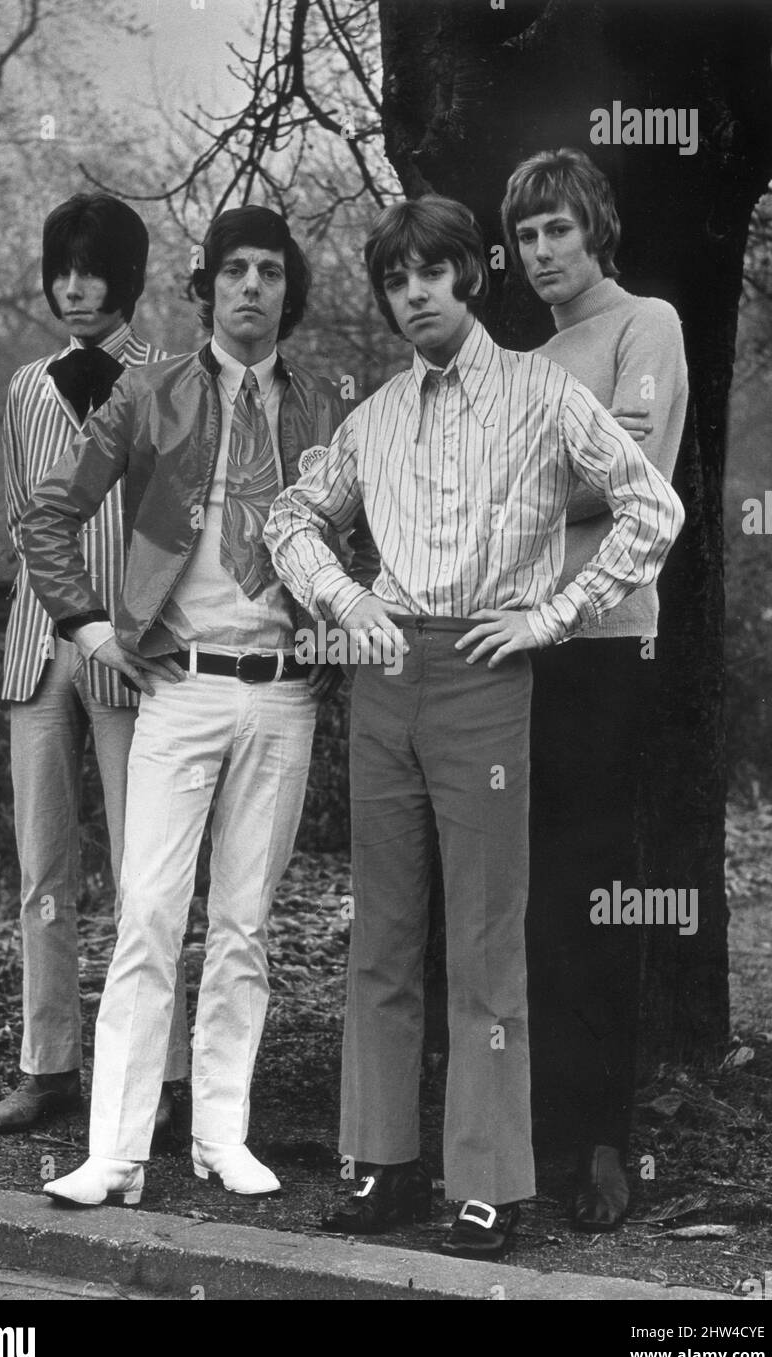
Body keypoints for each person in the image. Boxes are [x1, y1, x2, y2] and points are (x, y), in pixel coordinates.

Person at [263, 193, 684, 1260]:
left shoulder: (544, 394)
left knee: (488, 944)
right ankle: (383, 1165)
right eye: (396, 280)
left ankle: (489, 1182)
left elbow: (651, 506)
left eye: (433, 274)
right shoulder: (375, 417)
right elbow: (289, 518)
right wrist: (346, 603)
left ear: (470, 277)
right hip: (385, 669)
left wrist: (553, 611)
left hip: (487, 678)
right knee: (384, 937)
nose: (414, 295)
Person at [20, 205, 366, 1206]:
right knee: (148, 919)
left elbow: (362, 539)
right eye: (233, 270)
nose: (251, 286)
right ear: (206, 286)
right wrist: (88, 629)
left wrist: (343, 627)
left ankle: (221, 1131)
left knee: (245, 925)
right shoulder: (149, 393)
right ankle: (116, 1152)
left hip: (284, 696)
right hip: (175, 686)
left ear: (285, 289)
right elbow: (50, 515)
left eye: (268, 270)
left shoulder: (323, 411)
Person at [500, 148, 689, 1231]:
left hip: (608, 640)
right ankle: (532, 1129)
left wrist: (535, 485)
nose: (540, 254)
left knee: (596, 886)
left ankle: (604, 1141)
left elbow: (628, 479)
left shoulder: (644, 324)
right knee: (527, 893)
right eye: (524, 238)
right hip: (522, 645)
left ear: (593, 228)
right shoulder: (532, 357)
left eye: (556, 231)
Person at [0, 193, 188, 1139]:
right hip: (39, 650)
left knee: (143, 871)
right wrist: (61, 620)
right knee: (44, 870)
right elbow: (27, 519)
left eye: (93, 268)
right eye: (61, 268)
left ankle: (165, 1071)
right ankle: (48, 1066)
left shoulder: (169, 379)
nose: (74, 286)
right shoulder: (28, 387)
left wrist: (132, 626)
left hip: (131, 654)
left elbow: (171, 525)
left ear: (127, 278)